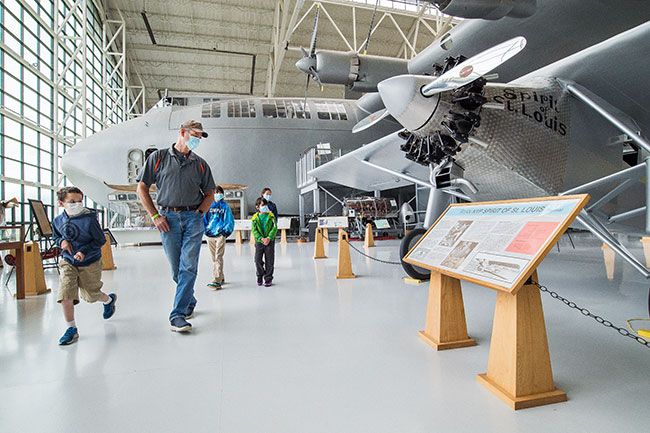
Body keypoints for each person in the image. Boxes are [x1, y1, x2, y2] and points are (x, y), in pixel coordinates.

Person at [136, 120, 216, 333]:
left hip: (193, 219)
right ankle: (189, 300)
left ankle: (177, 314)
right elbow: (142, 188)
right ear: (183, 132)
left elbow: (210, 194)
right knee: (176, 269)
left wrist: (199, 215)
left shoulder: (200, 164)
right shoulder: (158, 158)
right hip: (167, 219)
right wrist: (154, 215)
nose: (198, 140)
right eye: (196, 135)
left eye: (201, 137)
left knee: (188, 266)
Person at [52, 187, 117, 345]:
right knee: (65, 293)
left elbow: (100, 240)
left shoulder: (89, 219)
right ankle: (71, 328)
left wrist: (83, 251)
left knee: (90, 295)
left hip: (90, 261)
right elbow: (56, 236)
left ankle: (108, 300)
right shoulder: (57, 221)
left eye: (80, 201)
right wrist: (62, 242)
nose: (77, 204)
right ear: (61, 203)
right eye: (72, 202)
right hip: (68, 261)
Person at [204, 185, 234, 290]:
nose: (217, 194)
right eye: (215, 192)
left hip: (220, 235)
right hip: (210, 234)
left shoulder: (225, 207)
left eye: (219, 192)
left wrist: (224, 232)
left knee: (218, 257)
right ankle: (221, 276)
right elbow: (204, 218)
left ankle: (216, 280)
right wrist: (205, 230)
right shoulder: (209, 206)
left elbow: (229, 221)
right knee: (214, 258)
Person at [252, 197, 277, 287]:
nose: (265, 207)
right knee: (257, 260)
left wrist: (269, 238)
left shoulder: (271, 216)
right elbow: (254, 230)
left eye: (266, 205)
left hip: (270, 241)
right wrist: (261, 239)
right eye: (263, 205)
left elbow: (274, 227)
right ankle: (260, 275)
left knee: (269, 260)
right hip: (259, 241)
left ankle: (268, 278)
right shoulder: (254, 218)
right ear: (257, 207)